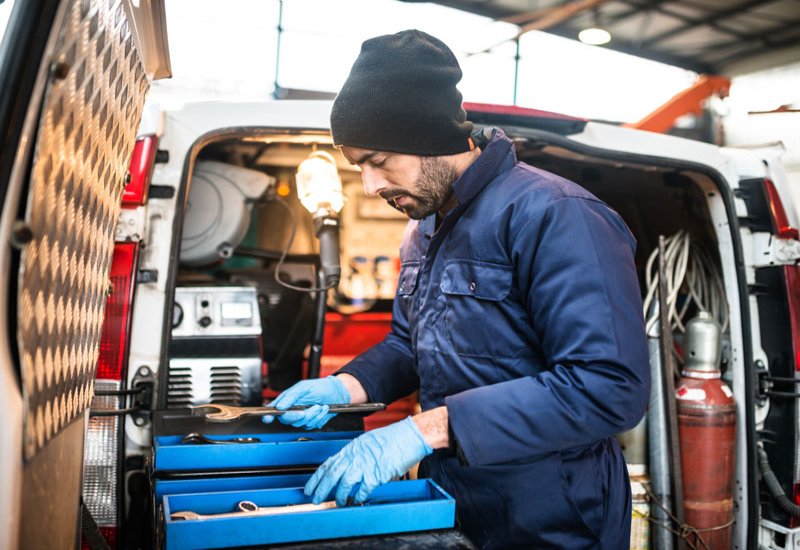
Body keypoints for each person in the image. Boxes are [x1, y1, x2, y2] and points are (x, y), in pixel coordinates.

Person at [263, 29, 650, 549]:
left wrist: (423, 431)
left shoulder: (556, 216)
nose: (371, 186)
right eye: (359, 166)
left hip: (555, 513)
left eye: (378, 160)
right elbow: (410, 344)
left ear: (432, 138)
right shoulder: (422, 228)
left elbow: (608, 386)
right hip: (454, 498)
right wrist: (348, 388)